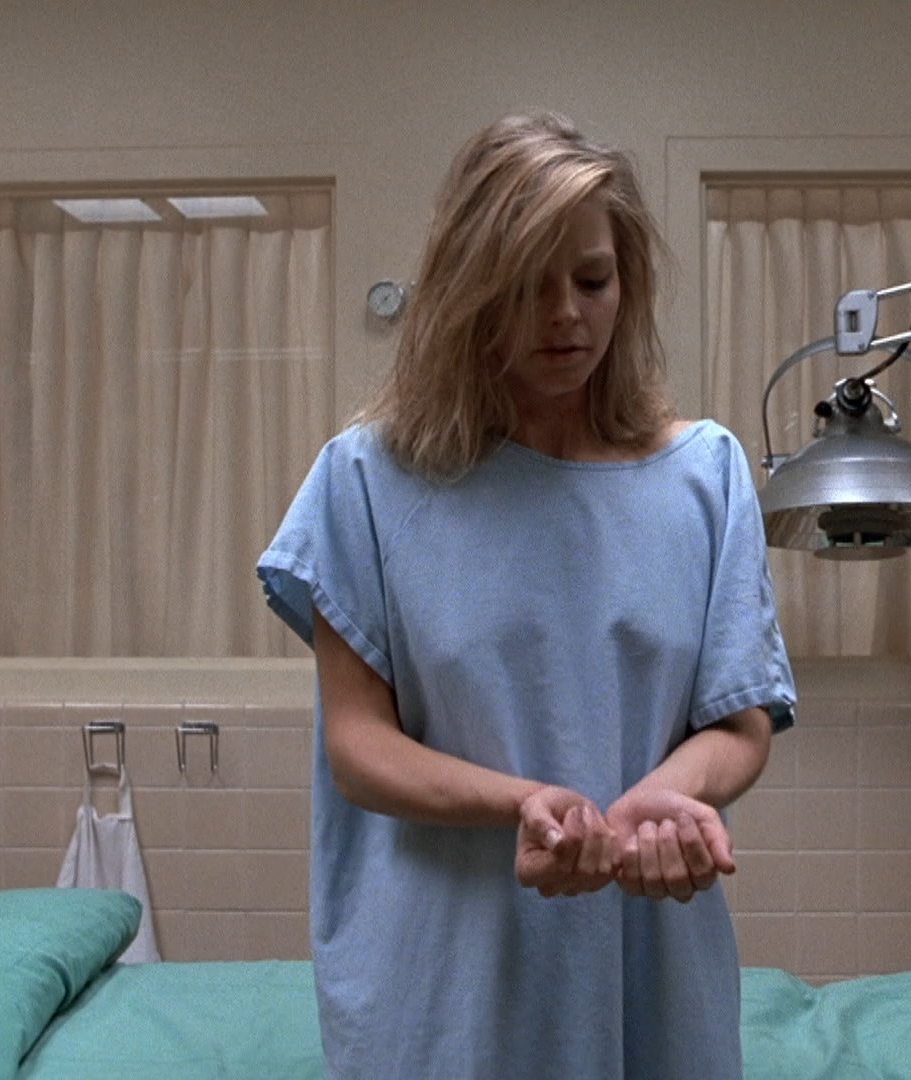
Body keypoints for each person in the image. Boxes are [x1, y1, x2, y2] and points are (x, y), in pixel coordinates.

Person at [257, 111, 795, 1080]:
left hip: (648, 971)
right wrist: (529, 807)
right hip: (445, 983)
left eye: (591, 281)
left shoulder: (703, 478)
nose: (565, 316)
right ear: (470, 287)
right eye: (527, 285)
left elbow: (739, 724)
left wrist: (653, 808)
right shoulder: (369, 484)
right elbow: (358, 746)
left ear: (627, 284)